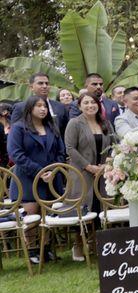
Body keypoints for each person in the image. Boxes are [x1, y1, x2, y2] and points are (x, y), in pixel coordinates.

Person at [7, 95, 66, 264]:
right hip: (27, 177)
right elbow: (16, 153)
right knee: (32, 214)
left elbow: (61, 152)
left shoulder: (51, 127)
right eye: (38, 106)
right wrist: (39, 171)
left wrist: (53, 171)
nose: (42, 109)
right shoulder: (19, 128)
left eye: (45, 106)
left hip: (51, 178)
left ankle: (45, 249)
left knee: (46, 214)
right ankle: (33, 250)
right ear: (29, 108)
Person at [64, 93, 117, 261]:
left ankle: (96, 243)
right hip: (82, 173)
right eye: (85, 103)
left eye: (93, 102)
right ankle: (78, 245)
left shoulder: (105, 123)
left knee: (99, 207)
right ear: (79, 107)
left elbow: (114, 144)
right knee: (81, 208)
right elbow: (70, 148)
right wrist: (88, 166)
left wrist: (107, 162)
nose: (90, 105)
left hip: (102, 173)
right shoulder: (75, 123)